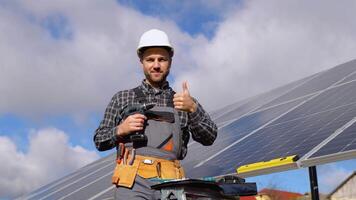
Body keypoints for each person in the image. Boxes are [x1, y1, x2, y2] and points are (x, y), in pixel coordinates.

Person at [94, 29, 217, 199]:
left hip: (172, 184)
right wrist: (120, 129)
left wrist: (193, 109)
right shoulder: (122, 98)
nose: (156, 65)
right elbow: (99, 140)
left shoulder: (184, 101)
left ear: (170, 61)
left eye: (162, 59)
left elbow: (210, 137)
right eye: (150, 60)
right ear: (141, 62)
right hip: (131, 183)